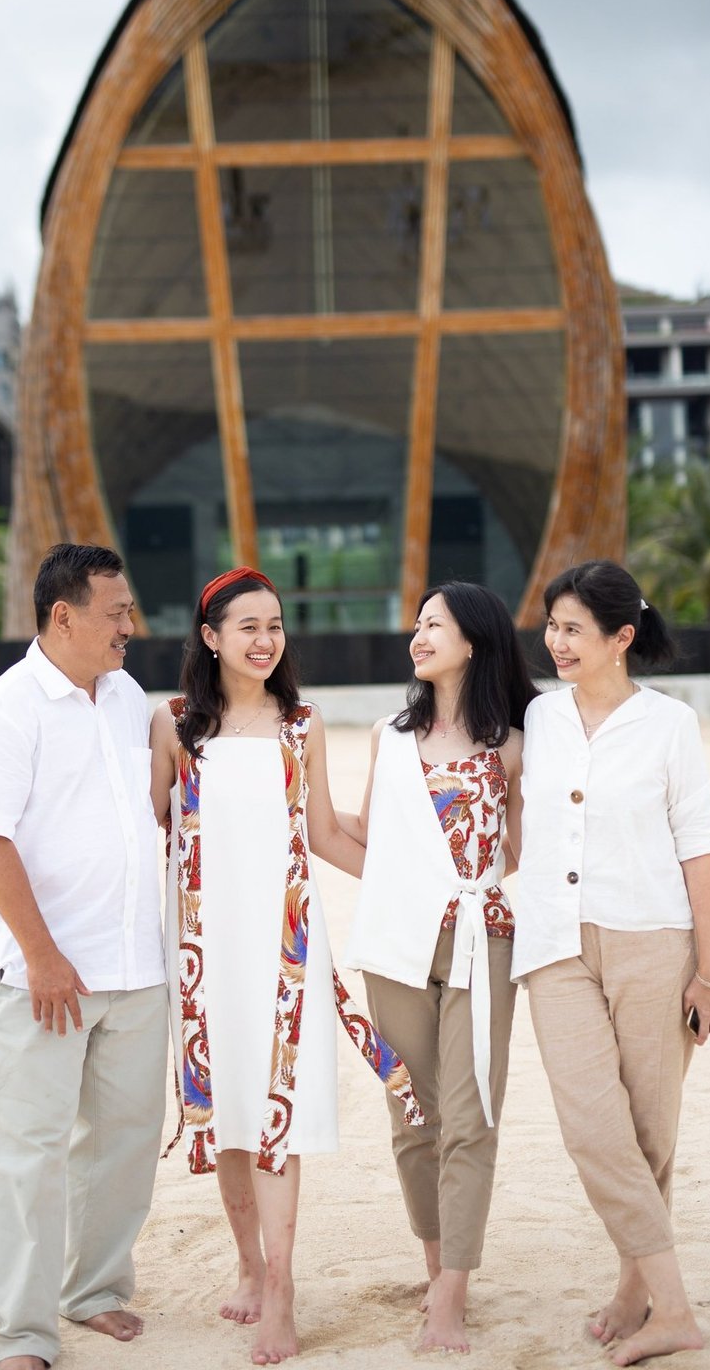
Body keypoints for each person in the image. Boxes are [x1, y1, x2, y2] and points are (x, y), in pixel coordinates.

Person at [150, 566, 421, 1368]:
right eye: (248, 627)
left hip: (287, 946)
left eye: (274, 625)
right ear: (211, 637)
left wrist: (419, 887)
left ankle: (280, 1285)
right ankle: (247, 1261)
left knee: (278, 1111)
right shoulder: (173, 726)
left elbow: (325, 834)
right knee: (227, 1109)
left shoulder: (303, 725)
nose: (265, 640)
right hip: (203, 950)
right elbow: (151, 828)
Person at [512, 559, 710, 1367]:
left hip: (655, 942)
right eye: (552, 626)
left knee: (648, 1133)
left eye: (573, 629)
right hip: (554, 946)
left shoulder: (671, 724)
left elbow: (698, 846)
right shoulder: (540, 718)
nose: (556, 642)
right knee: (594, 1129)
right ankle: (677, 1310)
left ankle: (637, 1288)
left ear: (621, 637)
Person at [0, 543, 168, 1370]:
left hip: (136, 969)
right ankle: (22, 1332)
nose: (129, 626)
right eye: (116, 613)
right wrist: (42, 957)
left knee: (123, 1146)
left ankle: (95, 1290)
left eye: (129, 611)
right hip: (44, 978)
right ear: (63, 616)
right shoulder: (6, 709)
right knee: (29, 1157)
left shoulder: (126, 697)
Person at [337, 581, 536, 1353]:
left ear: (474, 641)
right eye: (417, 624)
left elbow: (527, 852)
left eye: (434, 625)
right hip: (394, 939)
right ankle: (433, 1266)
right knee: (412, 1114)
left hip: (483, 937)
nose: (418, 637)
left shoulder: (512, 743)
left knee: (471, 1113)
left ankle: (451, 1294)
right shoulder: (388, 736)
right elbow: (365, 833)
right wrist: (280, 812)